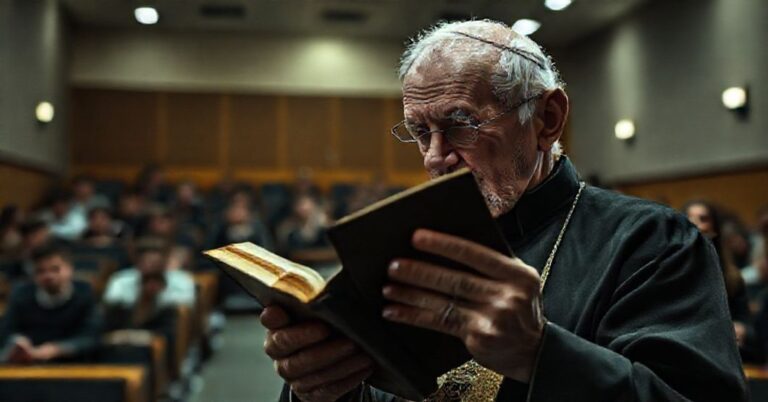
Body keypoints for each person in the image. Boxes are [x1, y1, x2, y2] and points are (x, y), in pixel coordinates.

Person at [261, 20, 747, 401]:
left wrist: (541, 354)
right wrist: (322, 388)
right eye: (419, 131)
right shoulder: (402, 240)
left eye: (461, 125)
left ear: (547, 120)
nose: (434, 157)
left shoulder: (654, 242)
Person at [0, 245, 102, 363]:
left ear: (70, 269)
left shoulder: (85, 293)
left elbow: (92, 337)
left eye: (55, 269)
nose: (48, 276)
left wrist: (57, 349)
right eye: (40, 271)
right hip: (29, 363)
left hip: (74, 364)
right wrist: (18, 341)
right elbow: (6, 331)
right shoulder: (22, 295)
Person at [102, 239, 195, 309]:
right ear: (137, 262)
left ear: (165, 262)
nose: (151, 267)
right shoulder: (120, 280)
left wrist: (158, 296)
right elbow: (110, 304)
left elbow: (187, 306)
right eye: (147, 262)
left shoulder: (182, 280)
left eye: (155, 262)